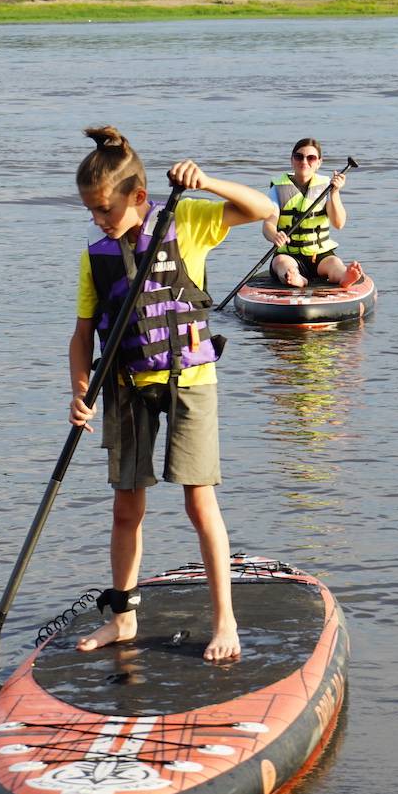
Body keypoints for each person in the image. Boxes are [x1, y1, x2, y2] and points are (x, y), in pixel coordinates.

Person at [68, 125, 278, 663]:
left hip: (190, 379)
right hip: (126, 383)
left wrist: (207, 182)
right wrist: (80, 389)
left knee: (198, 501)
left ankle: (225, 621)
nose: (98, 220)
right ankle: (123, 617)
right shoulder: (96, 254)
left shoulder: (187, 221)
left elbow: (262, 209)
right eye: (91, 211)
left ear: (138, 195)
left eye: (104, 209)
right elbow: (83, 333)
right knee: (125, 507)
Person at [264, 137, 363, 289]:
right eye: (299, 157)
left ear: (319, 163)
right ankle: (295, 278)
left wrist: (335, 192)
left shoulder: (328, 187)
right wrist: (274, 235)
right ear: (292, 160)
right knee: (281, 263)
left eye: (311, 158)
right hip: (289, 254)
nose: (304, 161)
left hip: (320, 254)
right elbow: (268, 224)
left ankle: (343, 276)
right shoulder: (277, 189)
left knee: (334, 263)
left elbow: (339, 223)